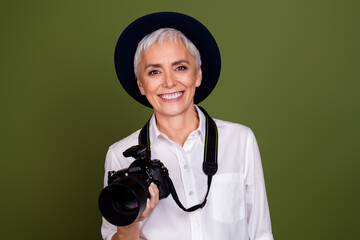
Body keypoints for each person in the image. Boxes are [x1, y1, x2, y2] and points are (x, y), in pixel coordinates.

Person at [101, 12, 274, 240]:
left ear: (198, 75)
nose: (169, 82)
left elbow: (260, 233)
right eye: (154, 71)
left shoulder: (240, 140)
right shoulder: (119, 155)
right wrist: (132, 221)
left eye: (180, 67)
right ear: (141, 85)